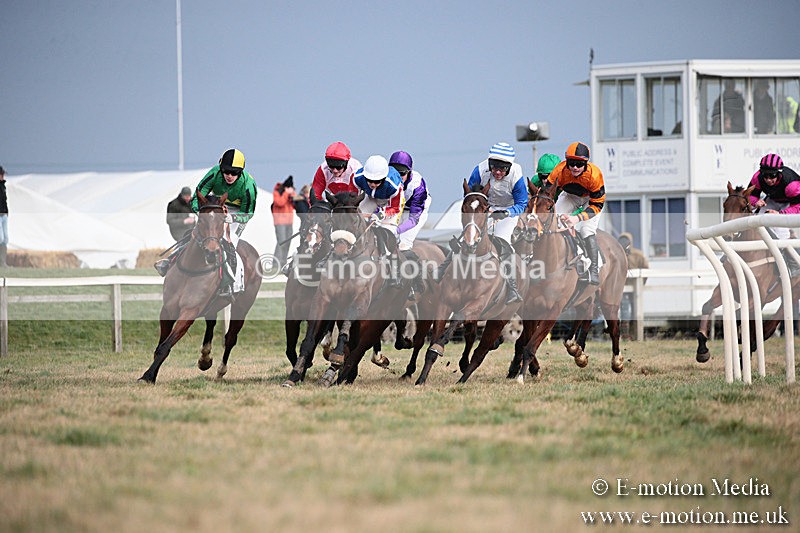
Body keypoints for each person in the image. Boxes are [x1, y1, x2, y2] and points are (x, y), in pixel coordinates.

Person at [155, 148, 258, 299]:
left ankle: (232, 284)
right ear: (221, 168)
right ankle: (168, 261)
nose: (229, 176)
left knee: (230, 242)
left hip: (236, 213)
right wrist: (201, 213)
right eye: (226, 171)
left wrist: (233, 218)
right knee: (195, 234)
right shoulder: (214, 173)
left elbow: (248, 213)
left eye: (234, 173)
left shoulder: (249, 185)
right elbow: (198, 196)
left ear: (241, 172)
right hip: (214, 206)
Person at [449, 142, 526, 304]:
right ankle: (443, 270)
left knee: (503, 242)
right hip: (484, 210)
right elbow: (469, 196)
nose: (497, 172)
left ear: (509, 167)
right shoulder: (479, 170)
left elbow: (522, 204)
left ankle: (512, 287)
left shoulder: (517, 175)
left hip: (508, 212)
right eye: (494, 168)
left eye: (502, 169)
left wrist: (505, 213)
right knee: (467, 238)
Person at [547, 141, 606, 285]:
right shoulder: (559, 171)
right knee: (554, 222)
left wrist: (577, 219)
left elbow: (597, 204)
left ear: (586, 164)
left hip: (590, 201)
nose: (574, 167)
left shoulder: (595, 175)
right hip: (569, 196)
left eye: (579, 164)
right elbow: (548, 194)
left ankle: (592, 268)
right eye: (571, 163)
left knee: (586, 230)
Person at [354, 155, 405, 285]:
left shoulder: (393, 185)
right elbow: (354, 198)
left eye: (377, 182)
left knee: (388, 231)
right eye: (369, 180)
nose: (372, 184)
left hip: (390, 202)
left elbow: (394, 207)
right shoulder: (357, 178)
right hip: (370, 197)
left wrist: (381, 214)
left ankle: (394, 268)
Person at [747, 153, 800, 276]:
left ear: (779, 173)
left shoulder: (792, 185)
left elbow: (798, 206)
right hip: (773, 200)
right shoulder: (757, 178)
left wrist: (781, 214)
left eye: (772, 176)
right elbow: (750, 195)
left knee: (780, 230)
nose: (768, 180)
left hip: (791, 204)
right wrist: (756, 202)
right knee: (755, 220)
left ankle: (792, 263)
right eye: (765, 176)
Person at [618, 232, 648, 340]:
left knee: (636, 311)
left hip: (635, 288)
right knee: (624, 310)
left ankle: (635, 334)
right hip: (620, 288)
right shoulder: (616, 254)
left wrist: (641, 285)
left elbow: (645, 270)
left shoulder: (637, 255)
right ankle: (624, 335)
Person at [272, 175, 296, 270]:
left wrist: (292, 194)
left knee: (288, 242)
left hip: (289, 222)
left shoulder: (289, 194)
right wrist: (286, 193)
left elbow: (294, 204)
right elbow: (279, 203)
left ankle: (283, 263)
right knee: (281, 242)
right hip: (280, 222)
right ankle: (275, 264)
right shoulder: (277, 192)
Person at [0, 166, 8, 267]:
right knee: (0, 238)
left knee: (5, 238)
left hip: (4, 214)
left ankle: (3, 262)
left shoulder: (3, 186)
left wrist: (6, 212)